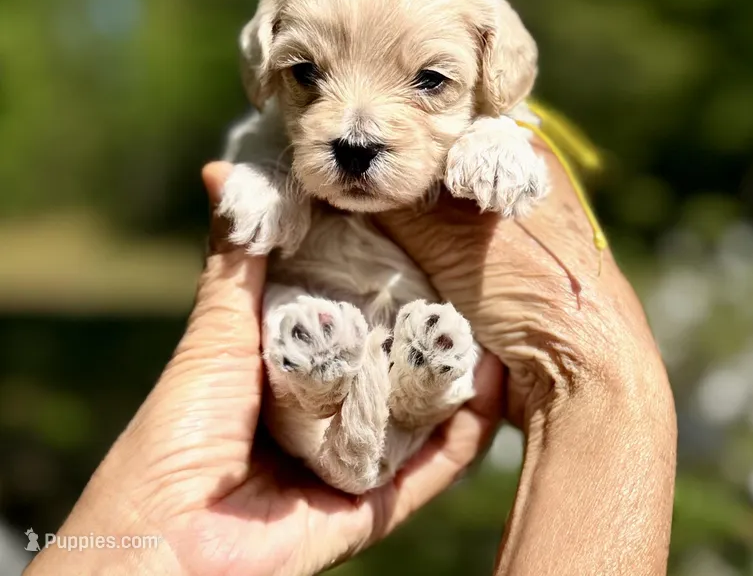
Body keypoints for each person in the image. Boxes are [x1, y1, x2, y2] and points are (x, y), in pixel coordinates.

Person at [26, 146, 677, 576]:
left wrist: (146, 546)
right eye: (314, 74)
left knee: (412, 362)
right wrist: (606, 381)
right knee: (302, 334)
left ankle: (398, 383)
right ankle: (327, 376)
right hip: (310, 378)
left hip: (386, 385)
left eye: (423, 78)